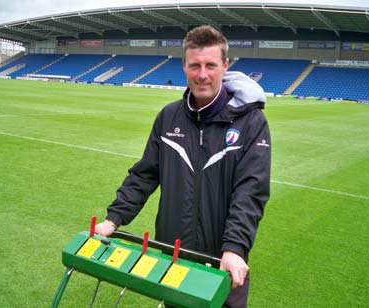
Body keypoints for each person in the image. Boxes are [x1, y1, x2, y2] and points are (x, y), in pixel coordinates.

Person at [95, 25, 271, 308]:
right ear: (184, 66)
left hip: (223, 263)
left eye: (211, 65)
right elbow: (144, 175)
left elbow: (250, 191)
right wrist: (113, 218)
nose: (203, 74)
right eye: (195, 65)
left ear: (225, 65)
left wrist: (235, 248)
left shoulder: (251, 122)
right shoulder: (168, 117)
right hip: (173, 258)